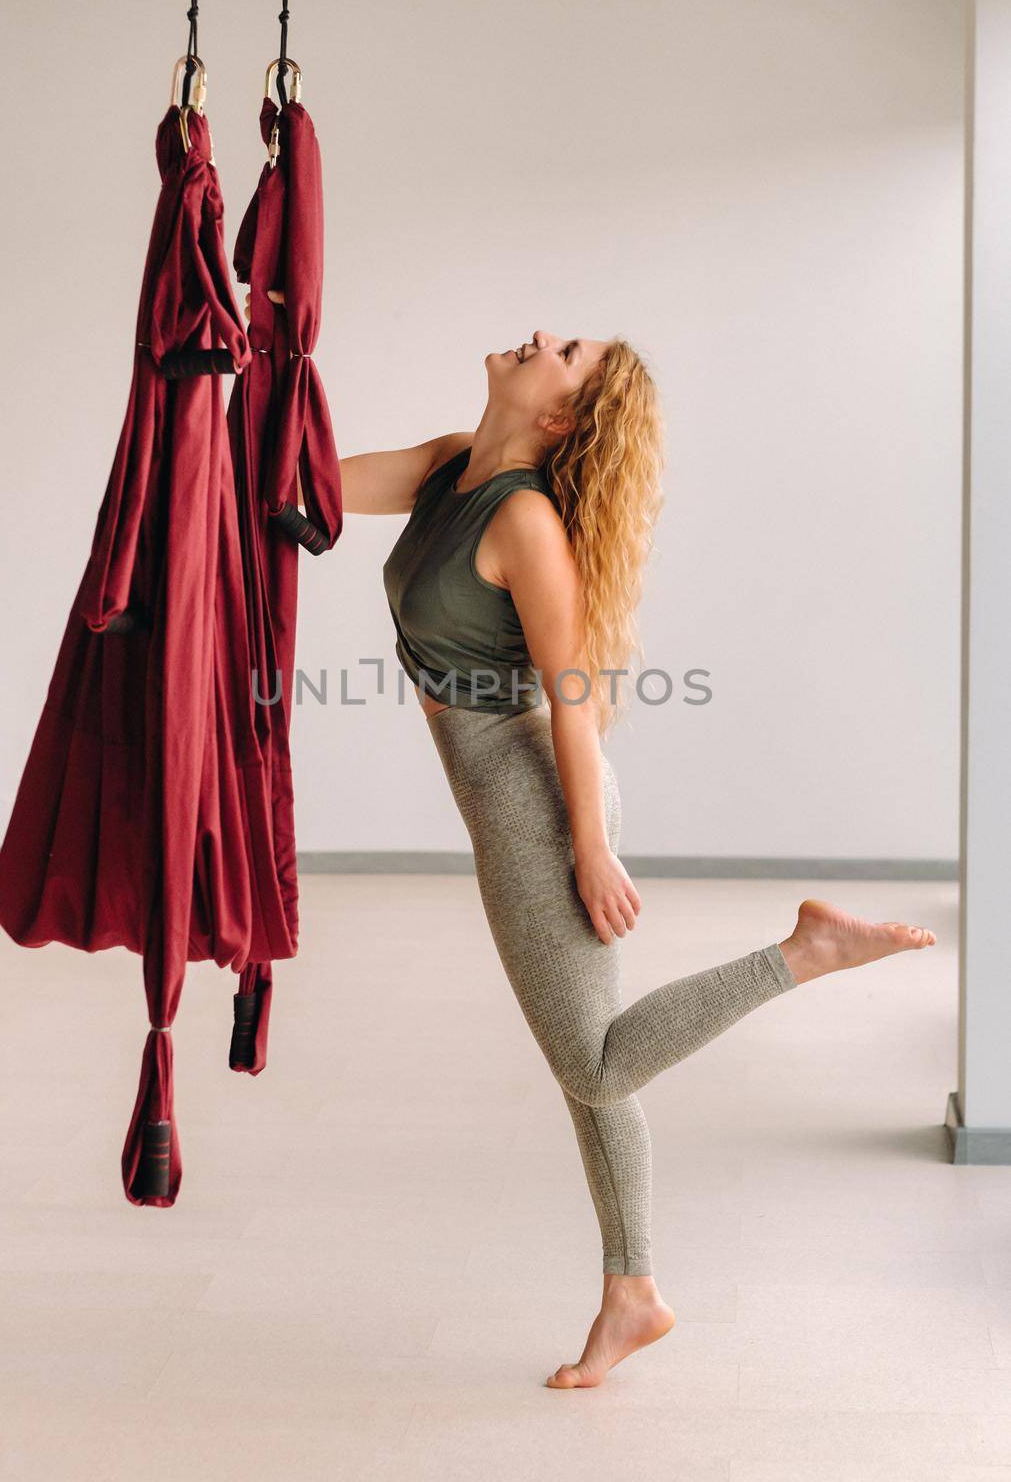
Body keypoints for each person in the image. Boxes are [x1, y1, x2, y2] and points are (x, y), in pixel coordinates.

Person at [248, 295, 938, 1389]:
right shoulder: (446, 469)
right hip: (509, 798)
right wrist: (240, 377)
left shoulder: (523, 521)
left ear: (564, 420)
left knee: (596, 1059)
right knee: (589, 1073)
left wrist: (584, 845)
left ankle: (805, 951)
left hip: (535, 800)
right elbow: (300, 484)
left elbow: (571, 697)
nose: (538, 332)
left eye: (562, 350)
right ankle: (632, 1293)